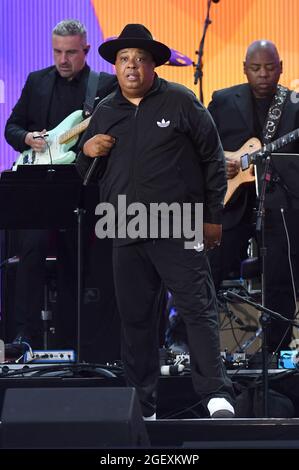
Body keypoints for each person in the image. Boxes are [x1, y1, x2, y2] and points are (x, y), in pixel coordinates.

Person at [77, 23, 235, 419]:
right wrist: (87, 149)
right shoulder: (105, 110)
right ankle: (142, 403)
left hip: (178, 223)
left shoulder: (180, 102)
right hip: (125, 224)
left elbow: (213, 159)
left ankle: (216, 394)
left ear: (153, 66)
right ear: (115, 68)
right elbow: (87, 172)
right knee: (135, 319)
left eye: (141, 60)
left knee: (197, 308)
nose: (132, 67)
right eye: (124, 60)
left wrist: (213, 217)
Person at [4, 19, 117, 348]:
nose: (63, 59)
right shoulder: (36, 81)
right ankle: (24, 334)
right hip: (39, 185)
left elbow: (114, 129)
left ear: (86, 50)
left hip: (82, 185)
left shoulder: (105, 85)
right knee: (30, 251)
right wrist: (27, 137)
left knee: (77, 261)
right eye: (57, 52)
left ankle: (78, 336)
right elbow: (12, 127)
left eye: (70, 52)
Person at [207, 40, 299, 353]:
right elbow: (201, 145)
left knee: (279, 278)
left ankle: (277, 351)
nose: (263, 74)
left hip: (279, 204)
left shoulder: (294, 104)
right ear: (244, 68)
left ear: (281, 68)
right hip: (232, 204)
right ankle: (198, 346)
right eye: (256, 68)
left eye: (270, 67)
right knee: (209, 269)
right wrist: (221, 163)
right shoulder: (222, 100)